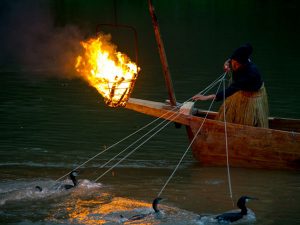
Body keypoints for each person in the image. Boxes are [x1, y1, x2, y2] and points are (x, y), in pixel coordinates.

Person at [193, 44, 269, 128]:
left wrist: (206, 97)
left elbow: (231, 90)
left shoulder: (251, 74)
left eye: (237, 64)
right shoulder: (238, 59)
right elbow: (231, 58)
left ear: (243, 63)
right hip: (240, 91)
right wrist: (227, 63)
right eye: (233, 62)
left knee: (246, 123)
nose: (234, 66)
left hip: (251, 96)